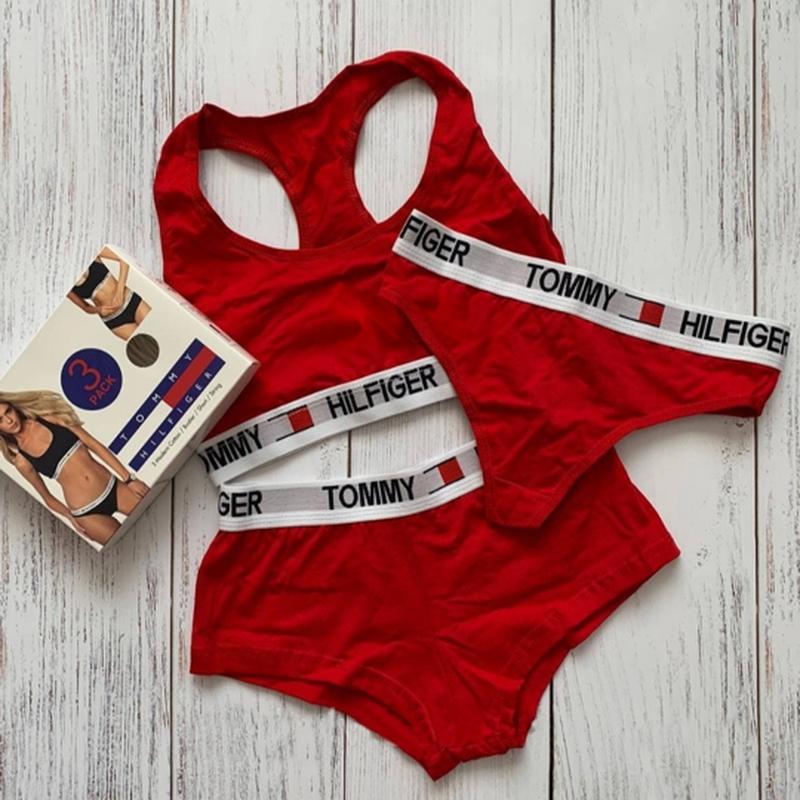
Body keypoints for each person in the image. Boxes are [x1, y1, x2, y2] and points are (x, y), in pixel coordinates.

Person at [0, 390, 149, 545]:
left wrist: (129, 479)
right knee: (129, 547)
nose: (9, 420)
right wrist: (70, 517)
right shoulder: (22, 461)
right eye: (0, 420)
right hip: (87, 514)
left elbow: (93, 444)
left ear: (14, 407)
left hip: (113, 488)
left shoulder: (48, 418)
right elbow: (47, 498)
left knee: (154, 516)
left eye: (8, 411)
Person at [67, 246, 151, 340]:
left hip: (130, 300)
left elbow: (123, 259)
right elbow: (85, 307)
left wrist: (119, 292)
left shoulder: (89, 250)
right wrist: (99, 310)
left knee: (156, 331)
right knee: (144, 347)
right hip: (114, 320)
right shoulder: (64, 284)